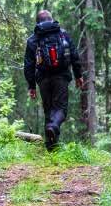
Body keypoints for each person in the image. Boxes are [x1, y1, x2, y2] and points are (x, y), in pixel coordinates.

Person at [24, 10, 84, 149]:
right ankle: (53, 131)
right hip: (61, 76)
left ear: (37, 22)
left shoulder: (33, 39)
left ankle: (51, 147)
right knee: (60, 109)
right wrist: (78, 75)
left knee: (49, 110)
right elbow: (74, 55)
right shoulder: (62, 34)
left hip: (43, 78)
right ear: (51, 19)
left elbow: (28, 65)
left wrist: (31, 86)